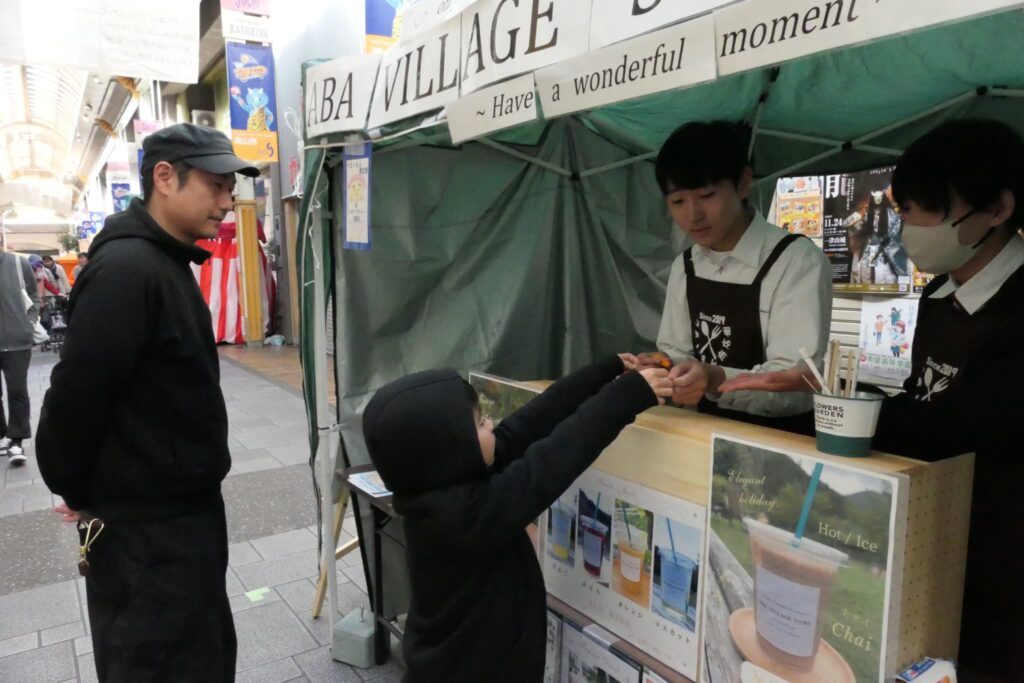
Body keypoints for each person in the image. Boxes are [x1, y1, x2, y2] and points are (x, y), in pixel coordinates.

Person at [720, 118, 1024, 683]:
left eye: (921, 211)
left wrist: (838, 401)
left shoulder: (1014, 315)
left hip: (999, 566)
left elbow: (960, 430)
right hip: (932, 541)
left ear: (997, 210)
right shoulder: (939, 295)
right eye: (902, 209)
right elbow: (918, 408)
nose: (905, 228)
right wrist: (832, 393)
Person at [36, 122, 259, 682]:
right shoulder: (128, 271)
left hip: (175, 529)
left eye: (230, 188)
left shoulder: (162, 261)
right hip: (146, 541)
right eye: (215, 184)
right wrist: (78, 487)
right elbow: (76, 397)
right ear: (164, 177)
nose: (227, 201)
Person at [362, 356, 672, 683]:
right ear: (450, 448)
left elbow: (529, 423)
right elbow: (552, 461)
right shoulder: (461, 520)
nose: (492, 424)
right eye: (479, 423)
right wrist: (627, 395)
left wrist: (605, 371)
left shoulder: (444, 488)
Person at [640, 121, 832, 432]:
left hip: (780, 440)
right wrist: (661, 366)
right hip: (701, 431)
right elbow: (677, 352)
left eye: (706, 195)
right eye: (677, 202)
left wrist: (715, 378)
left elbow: (797, 383)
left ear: (743, 183)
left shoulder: (795, 262)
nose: (692, 215)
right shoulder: (685, 265)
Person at [0, 248, 41, 466]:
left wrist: (30, 323)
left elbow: (34, 294)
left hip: (17, 338)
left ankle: (16, 441)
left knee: (17, 390)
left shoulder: (18, 263)